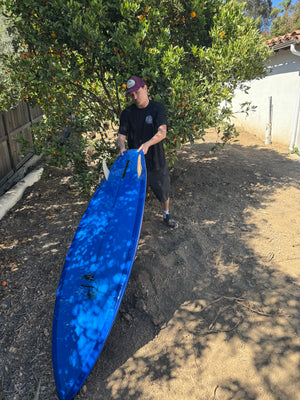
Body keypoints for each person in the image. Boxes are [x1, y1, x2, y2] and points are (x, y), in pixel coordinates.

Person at [117, 76, 177, 228]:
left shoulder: (157, 108)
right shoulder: (127, 113)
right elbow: (121, 135)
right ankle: (131, 221)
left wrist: (148, 144)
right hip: (135, 161)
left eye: (137, 92)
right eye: (131, 95)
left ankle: (166, 215)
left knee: (163, 192)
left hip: (156, 160)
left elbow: (162, 132)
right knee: (133, 193)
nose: (135, 97)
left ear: (145, 88)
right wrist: (122, 147)